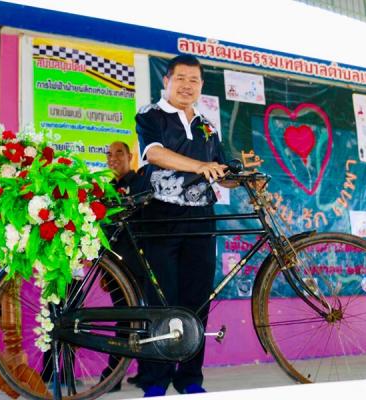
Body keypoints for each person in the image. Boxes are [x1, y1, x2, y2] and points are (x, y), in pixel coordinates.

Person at [135, 54, 229, 397]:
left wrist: (242, 177)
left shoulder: (207, 125)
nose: (188, 86)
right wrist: (200, 165)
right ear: (167, 81)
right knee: (162, 300)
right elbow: (154, 154)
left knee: (197, 300)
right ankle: (155, 381)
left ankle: (190, 378)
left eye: (194, 80)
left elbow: (221, 170)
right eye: (181, 78)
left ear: (201, 85)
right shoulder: (151, 115)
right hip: (161, 214)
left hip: (202, 217)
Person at [101, 141, 146, 391]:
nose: (113, 158)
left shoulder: (140, 183)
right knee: (125, 317)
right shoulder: (106, 189)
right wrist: (103, 271)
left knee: (142, 317)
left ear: (130, 156)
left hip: (139, 263)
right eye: (109, 154)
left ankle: (134, 373)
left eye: (119, 153)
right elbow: (105, 233)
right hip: (114, 267)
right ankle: (119, 375)